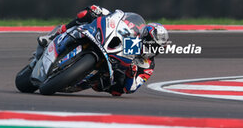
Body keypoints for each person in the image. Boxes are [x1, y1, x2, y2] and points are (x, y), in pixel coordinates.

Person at [37, 5, 169, 96]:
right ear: (144, 35)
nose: (151, 48)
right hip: (107, 45)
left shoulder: (148, 65)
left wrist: (132, 72)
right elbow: (120, 18)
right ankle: (54, 35)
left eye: (155, 47)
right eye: (150, 42)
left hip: (114, 75)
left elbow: (131, 88)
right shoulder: (135, 32)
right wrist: (108, 14)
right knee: (89, 12)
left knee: (118, 89)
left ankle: (82, 78)